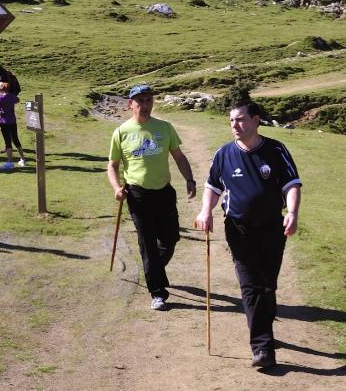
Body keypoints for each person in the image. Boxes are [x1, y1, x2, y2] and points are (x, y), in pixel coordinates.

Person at [195, 100, 301, 368]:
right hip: (239, 229)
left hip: (272, 228)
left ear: (256, 120)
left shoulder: (276, 150)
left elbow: (291, 184)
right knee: (250, 286)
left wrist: (292, 212)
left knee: (267, 285)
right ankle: (263, 348)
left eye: (240, 119)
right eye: (231, 120)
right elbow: (212, 186)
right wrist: (205, 211)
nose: (235, 125)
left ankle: (264, 320)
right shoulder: (224, 154)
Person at [107, 84, 196, 311]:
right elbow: (113, 165)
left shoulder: (165, 128)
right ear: (130, 104)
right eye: (140, 101)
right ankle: (157, 292)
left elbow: (178, 156)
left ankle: (154, 269)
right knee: (147, 244)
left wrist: (190, 180)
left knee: (170, 238)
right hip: (138, 195)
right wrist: (117, 187)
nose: (145, 105)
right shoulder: (121, 132)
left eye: (148, 100)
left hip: (164, 192)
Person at [0, 82, 26, 170]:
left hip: (4, 122)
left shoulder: (0, 98)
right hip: (13, 121)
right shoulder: (11, 96)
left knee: (8, 142)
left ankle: (10, 162)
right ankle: (23, 159)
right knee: (16, 140)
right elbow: (18, 100)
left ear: (0, 90)